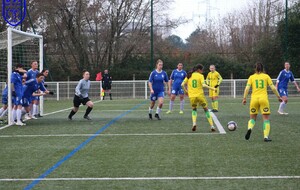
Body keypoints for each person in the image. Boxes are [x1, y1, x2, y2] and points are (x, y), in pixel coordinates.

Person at [242, 63, 282, 142]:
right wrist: (278, 97)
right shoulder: (266, 76)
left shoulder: (251, 77)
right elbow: (273, 88)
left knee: (252, 118)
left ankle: (250, 128)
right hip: (263, 99)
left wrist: (244, 98)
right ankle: (266, 137)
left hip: (254, 99)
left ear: (255, 69)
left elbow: (247, 88)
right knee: (266, 119)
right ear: (262, 69)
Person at [181, 64, 217, 132]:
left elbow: (182, 84)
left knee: (194, 109)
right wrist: (213, 88)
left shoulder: (189, 75)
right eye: (202, 70)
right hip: (200, 96)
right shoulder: (200, 76)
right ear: (199, 70)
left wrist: (186, 91)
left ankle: (194, 123)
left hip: (192, 96)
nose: (202, 71)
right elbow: (203, 85)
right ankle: (212, 125)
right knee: (206, 109)